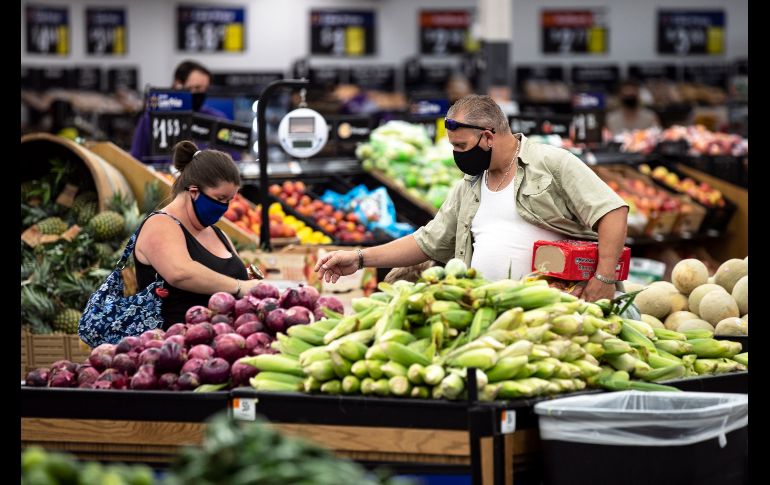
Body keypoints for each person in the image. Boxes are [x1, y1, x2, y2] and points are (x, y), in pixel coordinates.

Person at [316, 94, 629, 302]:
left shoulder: (552, 163)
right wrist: (359, 259)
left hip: (557, 311)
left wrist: (603, 278)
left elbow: (612, 212)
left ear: (489, 136)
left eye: (462, 147)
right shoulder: (469, 187)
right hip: (487, 312)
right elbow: (426, 242)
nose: (457, 155)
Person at [133, 140, 262, 327]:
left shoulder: (218, 234)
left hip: (226, 345)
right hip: (174, 347)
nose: (225, 207)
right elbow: (181, 273)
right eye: (220, 198)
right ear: (193, 191)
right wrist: (239, 286)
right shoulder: (160, 224)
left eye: (230, 200)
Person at [130, 60, 229, 163]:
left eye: (204, 89)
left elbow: (232, 161)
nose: (200, 94)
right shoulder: (150, 119)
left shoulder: (217, 118)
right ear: (178, 84)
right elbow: (136, 161)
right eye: (196, 88)